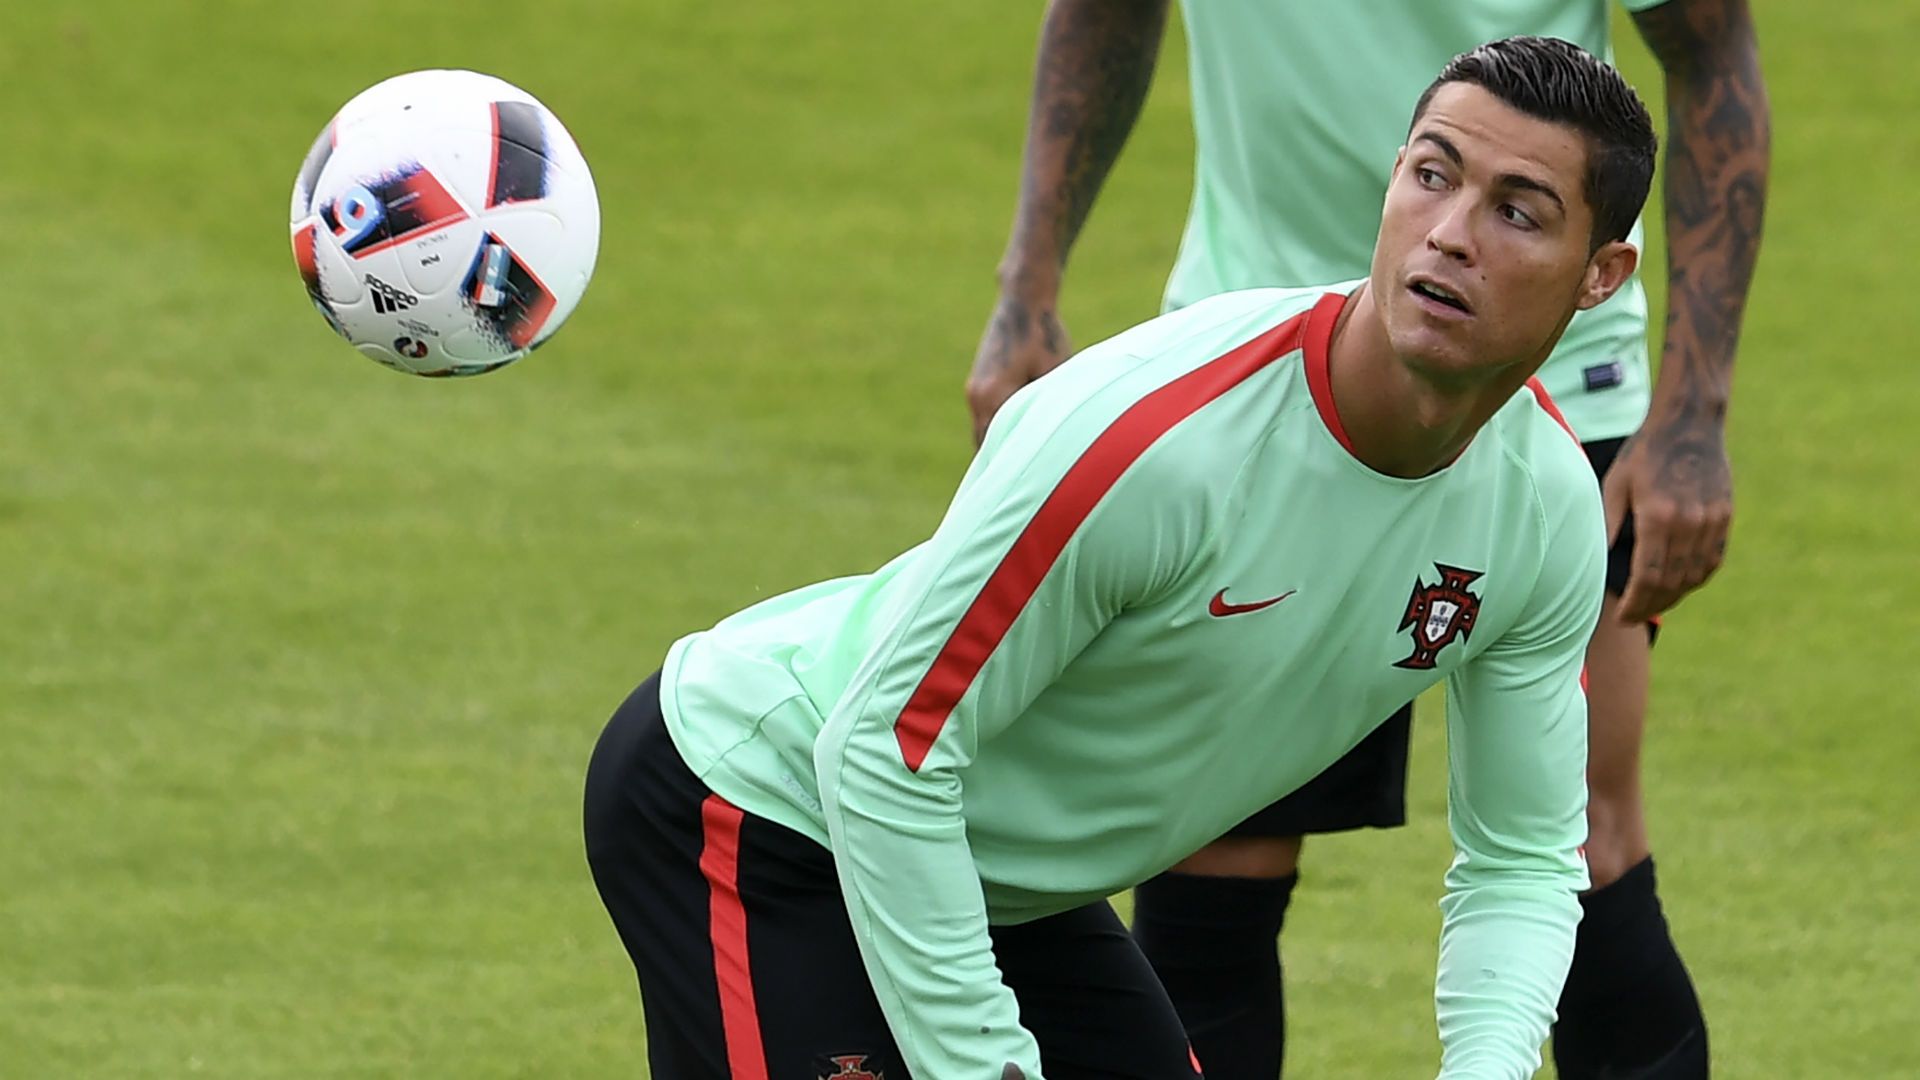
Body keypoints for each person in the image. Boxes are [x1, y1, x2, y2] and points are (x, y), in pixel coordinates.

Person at [587, 37, 1653, 1080]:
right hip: (762, 808)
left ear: (1601, 274)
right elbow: (884, 747)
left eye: (1518, 212)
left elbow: (1518, 857)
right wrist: (984, 1064)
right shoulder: (1158, 446)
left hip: (995, 882)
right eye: (1433, 176)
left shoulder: (1547, 511)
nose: (1451, 235)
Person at [968, 2, 1768, 1076]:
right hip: (1258, 380)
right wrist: (1027, 284)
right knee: (1213, 844)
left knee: (1577, 836)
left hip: (1546, 393)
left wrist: (1692, 413)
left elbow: (1712, 53)